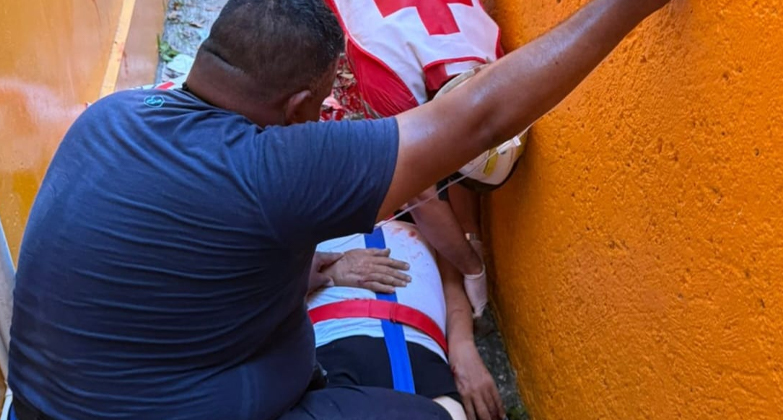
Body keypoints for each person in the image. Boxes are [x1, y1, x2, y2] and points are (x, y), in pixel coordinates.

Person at [7, 0, 672, 418]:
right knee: (437, 414)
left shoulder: (113, 115)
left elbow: (184, 256)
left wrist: (314, 272)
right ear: (298, 106)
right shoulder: (272, 168)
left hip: (46, 402)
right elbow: (480, 118)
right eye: (326, 96)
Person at [322, 0, 505, 318]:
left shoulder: (491, 57)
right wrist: (472, 267)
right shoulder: (393, 83)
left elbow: (461, 137)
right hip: (373, 54)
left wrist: (470, 233)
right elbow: (418, 192)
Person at [307, 221, 505, 420]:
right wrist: (325, 272)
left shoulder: (434, 217)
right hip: (336, 341)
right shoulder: (304, 208)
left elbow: (451, 282)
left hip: (421, 351)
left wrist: (463, 346)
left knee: (451, 412)